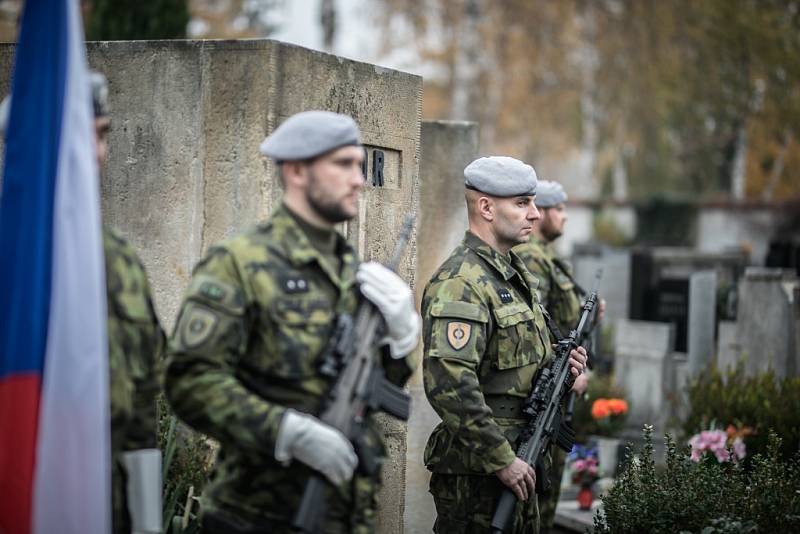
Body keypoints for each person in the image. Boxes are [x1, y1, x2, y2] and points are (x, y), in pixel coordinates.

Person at [164, 110, 420, 533]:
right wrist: (285, 431)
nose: (358, 179)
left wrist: (401, 340)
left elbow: (378, 388)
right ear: (297, 171)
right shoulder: (240, 264)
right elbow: (189, 381)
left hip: (345, 514)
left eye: (359, 165)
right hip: (258, 516)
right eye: (343, 164)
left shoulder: (349, 271)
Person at [1, 73, 165, 534]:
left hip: (101, 510)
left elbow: (143, 400)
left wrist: (147, 518)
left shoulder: (116, 260)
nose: (96, 154)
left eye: (101, 135)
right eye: (79, 136)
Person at [421, 156, 587, 533]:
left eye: (532, 203)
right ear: (486, 207)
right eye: (522, 203)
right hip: (480, 472)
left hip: (521, 458)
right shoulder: (461, 282)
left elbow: (522, 362)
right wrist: (501, 459)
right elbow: (449, 384)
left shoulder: (511, 276)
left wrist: (563, 366)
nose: (534, 214)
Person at [513, 180, 597, 532]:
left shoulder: (547, 257)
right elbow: (540, 323)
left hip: (559, 381)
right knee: (539, 498)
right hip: (552, 381)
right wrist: (566, 371)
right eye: (559, 209)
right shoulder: (533, 256)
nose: (563, 217)